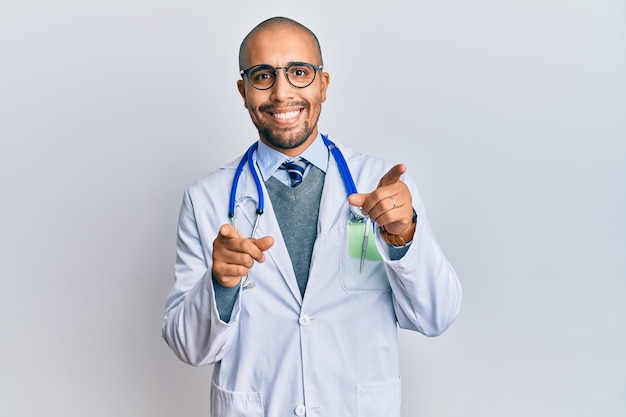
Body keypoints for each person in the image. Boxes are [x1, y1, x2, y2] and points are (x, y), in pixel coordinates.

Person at [162, 16, 462, 417]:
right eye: (263, 75)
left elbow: (437, 316)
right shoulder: (206, 200)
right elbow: (188, 347)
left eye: (299, 72)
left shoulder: (383, 187)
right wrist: (220, 284)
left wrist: (402, 236)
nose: (281, 92)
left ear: (323, 84)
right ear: (243, 90)